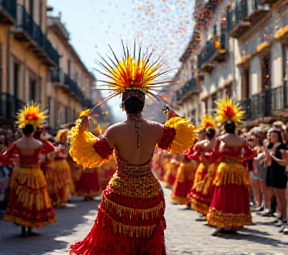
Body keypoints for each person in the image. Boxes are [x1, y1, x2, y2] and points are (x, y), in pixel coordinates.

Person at [68, 43, 197, 255]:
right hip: (150, 192)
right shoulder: (157, 129)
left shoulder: (114, 131)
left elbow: (90, 153)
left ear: (122, 106)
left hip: (121, 192)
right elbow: (182, 135)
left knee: (116, 236)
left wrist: (82, 131)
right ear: (144, 105)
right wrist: (172, 115)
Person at [0, 103, 56, 237]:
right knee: (34, 198)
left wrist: (13, 160)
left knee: (20, 198)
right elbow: (51, 149)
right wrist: (42, 136)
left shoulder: (17, 143)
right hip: (34, 172)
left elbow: (4, 156)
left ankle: (22, 226)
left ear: (22, 131)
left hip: (20, 172)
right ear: (33, 131)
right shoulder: (38, 144)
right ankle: (30, 226)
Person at [206, 98, 256, 236]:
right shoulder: (242, 140)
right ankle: (234, 224)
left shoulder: (221, 139)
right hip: (238, 170)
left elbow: (215, 154)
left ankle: (222, 225)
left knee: (223, 194)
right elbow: (251, 153)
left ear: (224, 127)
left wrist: (213, 160)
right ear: (235, 127)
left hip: (225, 169)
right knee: (236, 194)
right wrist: (241, 160)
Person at [187, 115, 217, 216]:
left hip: (204, 168)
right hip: (215, 168)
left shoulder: (201, 144)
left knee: (202, 188)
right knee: (212, 188)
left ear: (205, 134)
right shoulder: (218, 143)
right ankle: (212, 207)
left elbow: (193, 154)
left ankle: (204, 209)